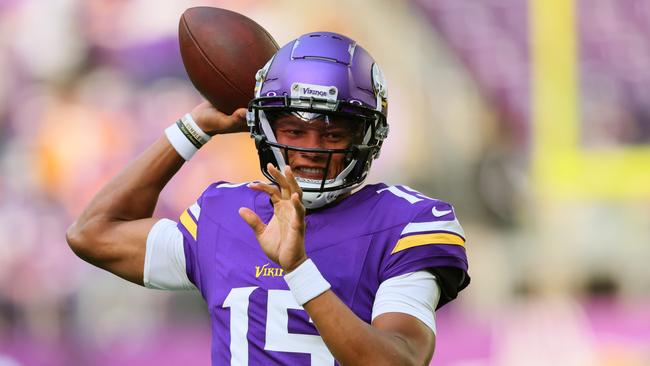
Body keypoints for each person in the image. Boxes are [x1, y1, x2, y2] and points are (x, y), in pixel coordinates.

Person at [67, 31, 470, 365]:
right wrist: (193, 129)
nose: (312, 148)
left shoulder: (405, 223)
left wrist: (298, 268)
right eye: (294, 130)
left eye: (332, 134)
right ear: (264, 129)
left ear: (366, 139)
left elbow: (398, 361)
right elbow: (93, 232)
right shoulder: (229, 213)